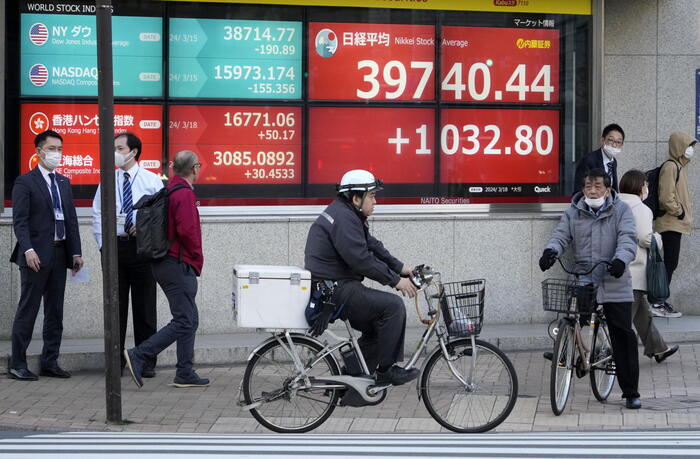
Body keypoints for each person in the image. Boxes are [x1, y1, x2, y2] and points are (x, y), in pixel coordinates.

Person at [304, 169, 420, 386]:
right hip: (336, 289)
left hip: (336, 286)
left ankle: (355, 378)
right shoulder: (344, 219)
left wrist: (402, 268)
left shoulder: (347, 214)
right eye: (372, 196)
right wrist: (396, 281)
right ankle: (386, 371)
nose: (375, 201)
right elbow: (362, 260)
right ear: (356, 198)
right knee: (393, 307)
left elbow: (372, 246)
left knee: (380, 325)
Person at [539, 168, 641, 409]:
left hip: (613, 277)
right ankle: (567, 350)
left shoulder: (621, 210)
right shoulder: (574, 211)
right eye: (588, 186)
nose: (592, 190)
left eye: (597, 186)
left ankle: (630, 392)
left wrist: (620, 260)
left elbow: (628, 238)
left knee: (622, 335)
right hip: (585, 277)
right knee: (574, 319)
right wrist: (550, 251)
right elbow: (561, 235)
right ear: (582, 189)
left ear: (607, 189)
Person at [123, 150, 207, 388]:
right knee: (184, 320)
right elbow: (188, 232)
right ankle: (140, 354)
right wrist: (197, 257)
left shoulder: (169, 190)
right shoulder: (184, 195)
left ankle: (185, 372)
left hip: (165, 263)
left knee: (189, 319)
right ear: (195, 168)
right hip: (178, 264)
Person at [8, 130, 84, 381]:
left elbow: (71, 219)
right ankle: (17, 363)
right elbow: (20, 221)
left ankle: (50, 361)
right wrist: (28, 249)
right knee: (28, 310)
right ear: (39, 151)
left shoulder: (63, 182)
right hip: (35, 256)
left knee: (55, 311)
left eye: (60, 148)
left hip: (60, 253)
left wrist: (76, 252)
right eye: (52, 148)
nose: (57, 154)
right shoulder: (25, 182)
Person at [92, 132, 164, 377]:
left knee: (145, 309)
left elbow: (161, 219)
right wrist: (104, 247)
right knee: (115, 307)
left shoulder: (152, 181)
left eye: (120, 148)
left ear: (133, 152)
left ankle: (145, 361)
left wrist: (143, 228)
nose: (116, 153)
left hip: (142, 250)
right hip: (115, 248)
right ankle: (115, 361)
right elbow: (97, 215)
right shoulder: (107, 180)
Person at [618, 169, 679, 363]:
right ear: (640, 186)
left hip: (616, 267)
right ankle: (611, 352)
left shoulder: (614, 204)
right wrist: (658, 238)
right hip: (634, 270)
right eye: (646, 185)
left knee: (642, 313)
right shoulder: (642, 209)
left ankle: (658, 348)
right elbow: (645, 238)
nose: (647, 188)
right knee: (624, 320)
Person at [651, 132, 697, 318]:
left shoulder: (678, 167)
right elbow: (666, 197)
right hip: (670, 224)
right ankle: (657, 301)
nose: (691, 149)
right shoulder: (671, 167)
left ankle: (659, 300)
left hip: (675, 224)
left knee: (669, 263)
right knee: (668, 264)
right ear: (678, 146)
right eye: (687, 145)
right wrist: (680, 211)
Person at [573, 123, 625, 193]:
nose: (614, 145)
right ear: (602, 140)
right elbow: (580, 190)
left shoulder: (613, 162)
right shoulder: (589, 160)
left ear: (622, 145)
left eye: (618, 142)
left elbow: (613, 189)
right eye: (611, 140)